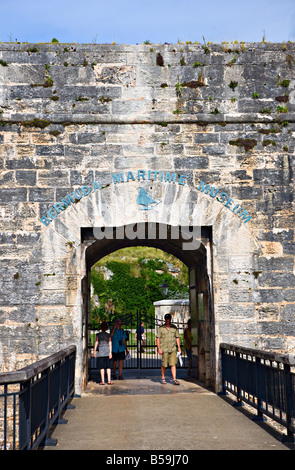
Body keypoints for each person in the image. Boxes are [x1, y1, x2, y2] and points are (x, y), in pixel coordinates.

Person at [156, 313, 181, 385]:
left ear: (170, 319)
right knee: (164, 364)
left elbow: (177, 338)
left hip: (172, 348)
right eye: (166, 319)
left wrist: (179, 348)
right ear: (165, 319)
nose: (167, 320)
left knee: (173, 364)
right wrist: (159, 348)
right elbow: (158, 338)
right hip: (164, 349)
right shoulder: (161, 328)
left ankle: (174, 379)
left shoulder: (174, 328)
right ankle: (163, 377)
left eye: (169, 319)